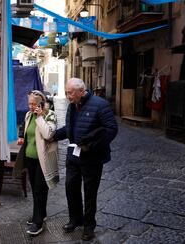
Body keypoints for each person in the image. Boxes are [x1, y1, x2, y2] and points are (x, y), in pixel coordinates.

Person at [53, 78, 118, 240]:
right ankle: (75, 220)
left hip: (92, 158)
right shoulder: (72, 105)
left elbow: (111, 129)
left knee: (90, 193)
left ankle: (89, 226)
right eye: (66, 93)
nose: (68, 96)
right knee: (71, 188)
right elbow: (69, 128)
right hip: (73, 157)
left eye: (70, 93)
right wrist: (52, 136)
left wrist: (92, 146)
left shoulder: (100, 105)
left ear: (82, 91)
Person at [13, 90, 59, 236]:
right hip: (30, 158)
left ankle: (37, 223)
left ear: (42, 103)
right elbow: (27, 132)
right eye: (29, 103)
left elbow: (48, 134)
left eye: (34, 104)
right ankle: (41, 214)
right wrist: (22, 138)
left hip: (43, 159)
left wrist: (40, 117)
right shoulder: (28, 115)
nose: (31, 106)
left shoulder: (50, 115)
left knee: (40, 189)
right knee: (36, 188)